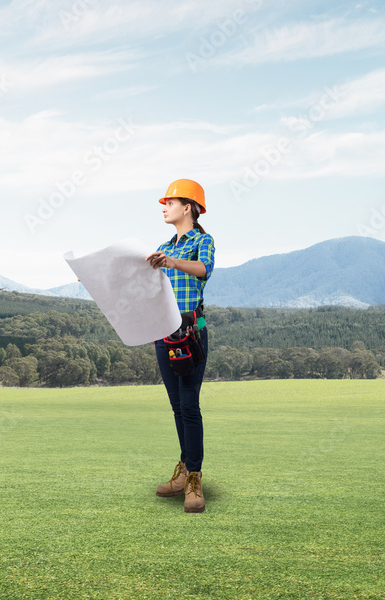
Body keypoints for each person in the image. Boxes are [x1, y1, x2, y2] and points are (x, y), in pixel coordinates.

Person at [145, 178, 215, 513]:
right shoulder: (164, 246)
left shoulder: (202, 241)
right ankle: (184, 469)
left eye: (170, 202)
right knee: (176, 408)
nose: (164, 206)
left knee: (189, 406)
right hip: (164, 334)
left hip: (191, 333)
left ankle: (194, 480)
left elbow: (203, 270)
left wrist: (173, 263)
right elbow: (143, 284)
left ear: (188, 207)